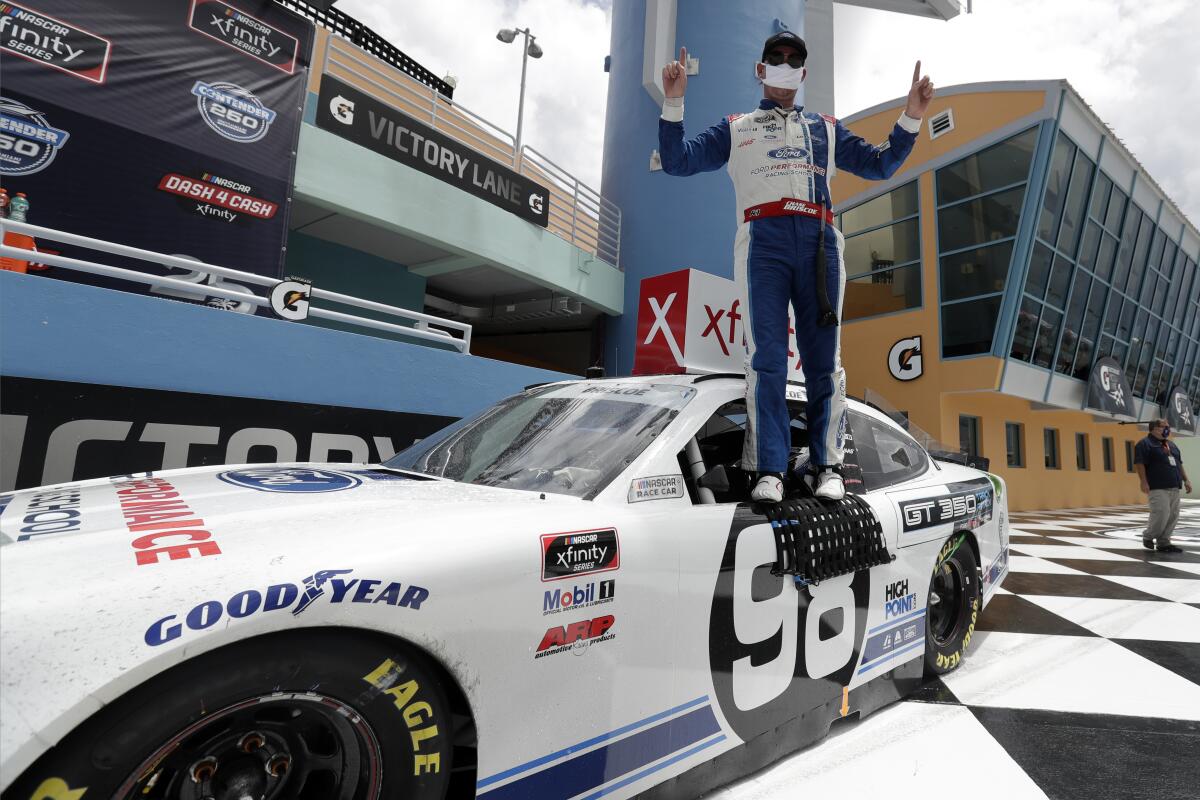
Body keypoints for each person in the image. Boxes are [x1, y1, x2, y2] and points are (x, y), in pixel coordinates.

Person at [658, 31, 933, 502]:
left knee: (824, 361)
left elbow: (881, 164)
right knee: (766, 358)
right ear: (761, 70)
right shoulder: (736, 127)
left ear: (803, 74)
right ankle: (770, 470)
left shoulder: (826, 128)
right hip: (762, 242)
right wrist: (674, 103)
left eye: (794, 60)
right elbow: (677, 162)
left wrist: (911, 115)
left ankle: (827, 466)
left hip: (819, 241)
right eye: (776, 57)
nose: (785, 64)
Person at [1134, 418, 1192, 553]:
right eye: (1164, 426)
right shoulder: (1144, 444)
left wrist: (1186, 480)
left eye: (1168, 426)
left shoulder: (1171, 445)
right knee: (1161, 513)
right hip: (1158, 486)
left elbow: (1179, 464)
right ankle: (1148, 536)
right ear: (1154, 428)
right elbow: (1139, 463)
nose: (1167, 429)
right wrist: (1143, 481)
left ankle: (1164, 542)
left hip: (1174, 486)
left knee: (1173, 515)